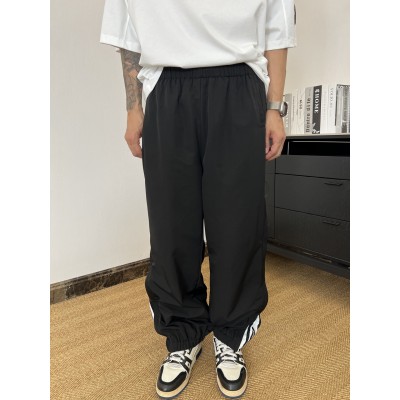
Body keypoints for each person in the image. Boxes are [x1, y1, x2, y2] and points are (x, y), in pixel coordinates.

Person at [100, 1, 296, 398]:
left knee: (238, 224)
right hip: (167, 88)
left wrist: (274, 107)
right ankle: (183, 334)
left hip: (239, 84)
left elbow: (277, 27)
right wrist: (134, 108)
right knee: (171, 225)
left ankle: (230, 334)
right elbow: (128, 33)